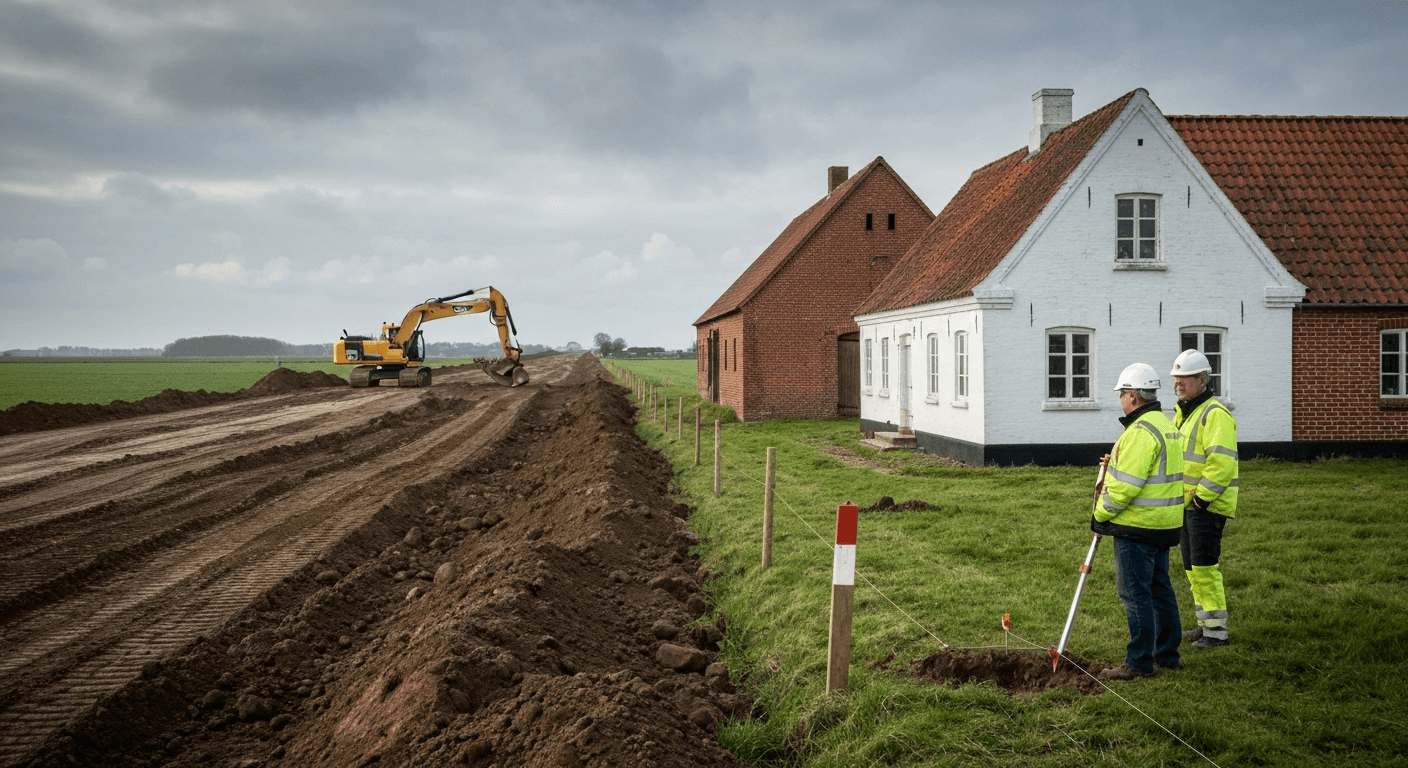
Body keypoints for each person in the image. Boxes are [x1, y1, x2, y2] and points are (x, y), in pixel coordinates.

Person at [1094, 363, 1186, 681]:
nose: (1121, 400)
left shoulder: (1141, 431)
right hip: (1165, 523)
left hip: (1138, 525)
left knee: (1135, 593)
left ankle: (1139, 663)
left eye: (1122, 394)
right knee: (1160, 589)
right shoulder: (1165, 424)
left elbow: (1124, 487)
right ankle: (1167, 656)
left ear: (1133, 396)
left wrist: (1100, 514)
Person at [1170, 349, 1238, 648]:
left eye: (1185, 378)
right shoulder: (1185, 414)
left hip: (1205, 506)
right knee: (1192, 567)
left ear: (1202, 380)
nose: (1178, 383)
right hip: (1190, 505)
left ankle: (1216, 633)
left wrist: (1202, 499)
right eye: (1176, 378)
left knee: (1205, 568)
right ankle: (1204, 624)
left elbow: (1222, 463)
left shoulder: (1215, 414)